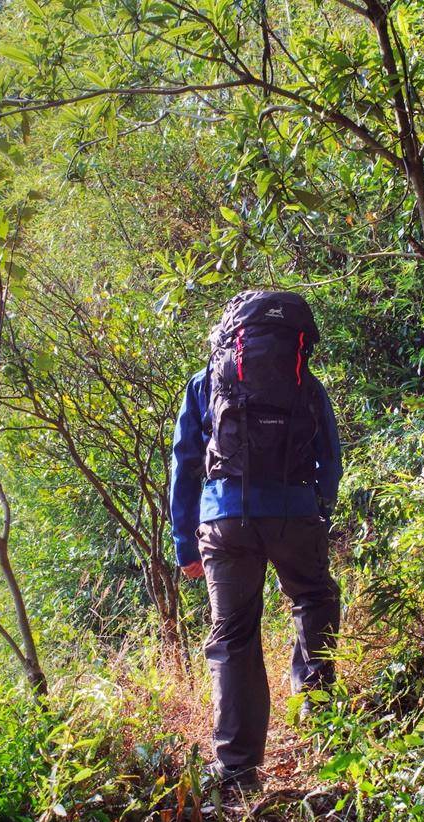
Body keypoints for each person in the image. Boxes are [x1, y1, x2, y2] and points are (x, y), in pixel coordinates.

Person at [169, 290, 343, 792]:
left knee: (234, 636)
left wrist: (186, 543)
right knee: (314, 597)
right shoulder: (305, 387)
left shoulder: (207, 383)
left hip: (226, 523)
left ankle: (239, 771)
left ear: (228, 338)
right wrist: (317, 511)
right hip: (294, 514)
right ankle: (316, 710)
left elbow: (184, 463)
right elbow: (329, 459)